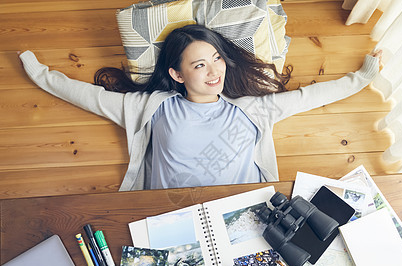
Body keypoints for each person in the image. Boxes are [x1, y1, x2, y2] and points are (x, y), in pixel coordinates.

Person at [19, 24, 381, 191]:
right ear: (176, 74)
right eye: (198, 65)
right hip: (169, 215)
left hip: (241, 217)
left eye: (216, 59)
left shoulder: (253, 110)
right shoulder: (150, 107)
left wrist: (362, 77)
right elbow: (87, 96)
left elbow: (310, 97)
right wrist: (38, 73)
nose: (214, 71)